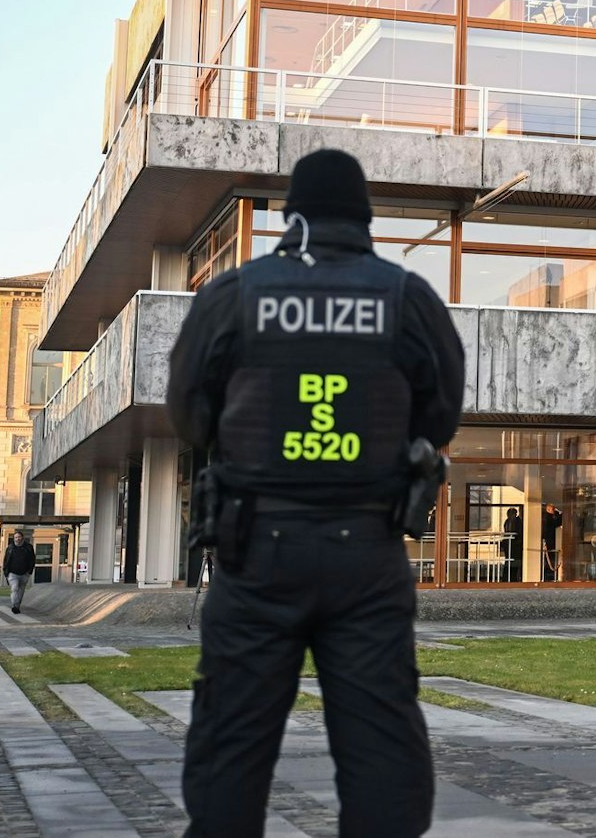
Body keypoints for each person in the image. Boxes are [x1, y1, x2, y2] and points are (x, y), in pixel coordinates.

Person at [167, 148, 465, 838]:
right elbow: (440, 412)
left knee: (229, 758)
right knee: (383, 758)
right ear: (364, 220)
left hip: (254, 550)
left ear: (289, 216)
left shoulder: (236, 294)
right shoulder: (405, 296)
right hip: (368, 554)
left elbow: (188, 411)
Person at [2, 529, 36, 614]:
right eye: (16, 537)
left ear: (22, 538)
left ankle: (17, 606)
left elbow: (32, 559)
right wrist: (6, 572)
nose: (17, 539)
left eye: (19, 537)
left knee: (21, 591)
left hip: (24, 573)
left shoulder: (28, 547)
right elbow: (6, 560)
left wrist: (29, 571)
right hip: (12, 573)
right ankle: (14, 605)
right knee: (15, 588)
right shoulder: (10, 548)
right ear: (14, 538)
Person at [540, 502, 564, 582]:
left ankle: (549, 575)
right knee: (549, 559)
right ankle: (548, 576)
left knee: (550, 559)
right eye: (553, 509)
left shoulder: (547, 517)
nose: (554, 510)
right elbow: (555, 523)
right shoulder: (547, 518)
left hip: (550, 541)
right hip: (549, 541)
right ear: (548, 509)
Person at [501, 506, 524, 583]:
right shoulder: (509, 522)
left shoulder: (514, 521)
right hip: (511, 544)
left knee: (513, 562)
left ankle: (512, 577)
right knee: (510, 561)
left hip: (514, 545)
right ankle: (509, 577)